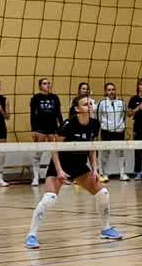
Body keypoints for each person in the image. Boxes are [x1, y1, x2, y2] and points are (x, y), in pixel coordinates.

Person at [24, 94, 123, 249]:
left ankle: (106, 228)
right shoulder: (68, 124)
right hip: (61, 164)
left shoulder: (95, 124)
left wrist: (95, 169)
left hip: (79, 166)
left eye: (91, 103)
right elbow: (55, 148)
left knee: (103, 193)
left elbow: (92, 148)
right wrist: (59, 170)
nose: (90, 106)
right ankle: (31, 235)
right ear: (77, 109)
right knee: (49, 198)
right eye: (85, 104)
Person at [29, 77, 62, 188]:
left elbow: (59, 113)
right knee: (38, 153)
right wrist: (33, 129)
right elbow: (33, 114)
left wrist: (61, 128)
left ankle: (59, 175)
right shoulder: (36, 98)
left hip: (53, 129)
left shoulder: (55, 97)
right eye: (44, 83)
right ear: (40, 86)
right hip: (40, 129)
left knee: (56, 153)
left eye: (48, 83)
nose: (47, 85)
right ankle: (36, 177)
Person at [95, 82, 128, 181]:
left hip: (119, 131)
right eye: (109, 90)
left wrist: (122, 127)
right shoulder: (102, 103)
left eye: (113, 89)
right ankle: (105, 174)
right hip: (106, 131)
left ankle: (123, 174)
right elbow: (98, 117)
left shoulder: (121, 102)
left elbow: (124, 117)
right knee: (105, 153)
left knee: (120, 153)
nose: (111, 92)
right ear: (106, 91)